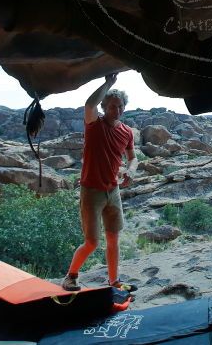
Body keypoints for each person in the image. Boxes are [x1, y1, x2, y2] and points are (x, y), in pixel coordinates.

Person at [62, 73, 139, 292]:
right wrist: (108, 83)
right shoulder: (94, 124)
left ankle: (114, 282)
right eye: (113, 106)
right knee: (92, 242)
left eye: (121, 106)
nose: (118, 110)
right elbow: (89, 104)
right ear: (104, 107)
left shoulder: (127, 132)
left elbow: (133, 158)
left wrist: (131, 171)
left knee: (113, 238)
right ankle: (71, 277)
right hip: (91, 191)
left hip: (112, 191)